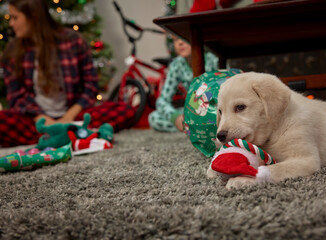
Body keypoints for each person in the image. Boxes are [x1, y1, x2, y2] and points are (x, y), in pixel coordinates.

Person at [0, 0, 135, 147]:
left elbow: (90, 86)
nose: (11, 24)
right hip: (36, 121)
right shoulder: (12, 52)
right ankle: (70, 134)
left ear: (33, 16)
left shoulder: (73, 41)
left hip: (72, 115)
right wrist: (46, 121)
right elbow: (16, 97)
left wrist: (67, 119)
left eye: (15, 17)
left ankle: (58, 135)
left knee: (123, 109)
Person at [148, 35, 218, 132]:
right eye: (176, 39)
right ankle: (194, 129)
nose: (180, 42)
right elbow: (162, 100)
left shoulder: (213, 59)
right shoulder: (177, 64)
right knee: (154, 117)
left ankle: (195, 129)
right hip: (194, 112)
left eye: (183, 37)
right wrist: (175, 117)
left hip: (214, 110)